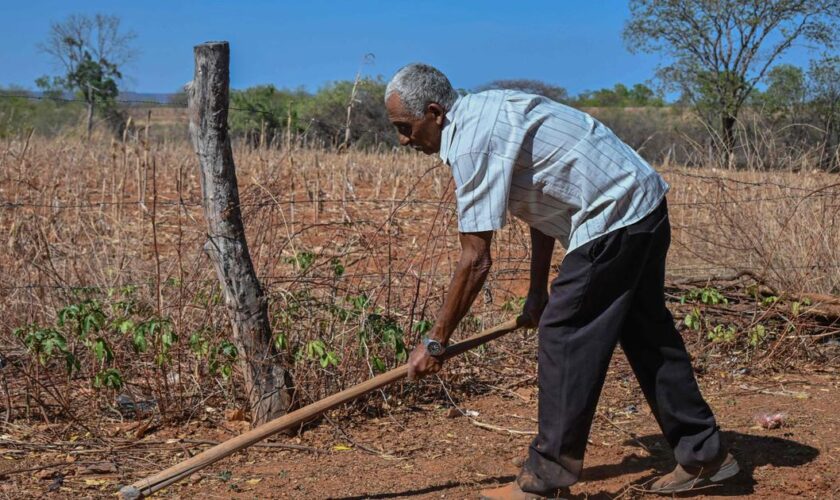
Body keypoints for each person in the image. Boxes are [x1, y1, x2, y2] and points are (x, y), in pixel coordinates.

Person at [383, 63, 739, 499]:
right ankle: (706, 456)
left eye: (406, 127)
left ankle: (546, 480)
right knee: (646, 331)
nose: (404, 139)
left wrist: (436, 341)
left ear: (435, 112)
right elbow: (544, 203)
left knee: (564, 335)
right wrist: (537, 291)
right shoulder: (490, 110)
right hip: (643, 205)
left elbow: (474, 259)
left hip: (613, 217)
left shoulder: (472, 142)